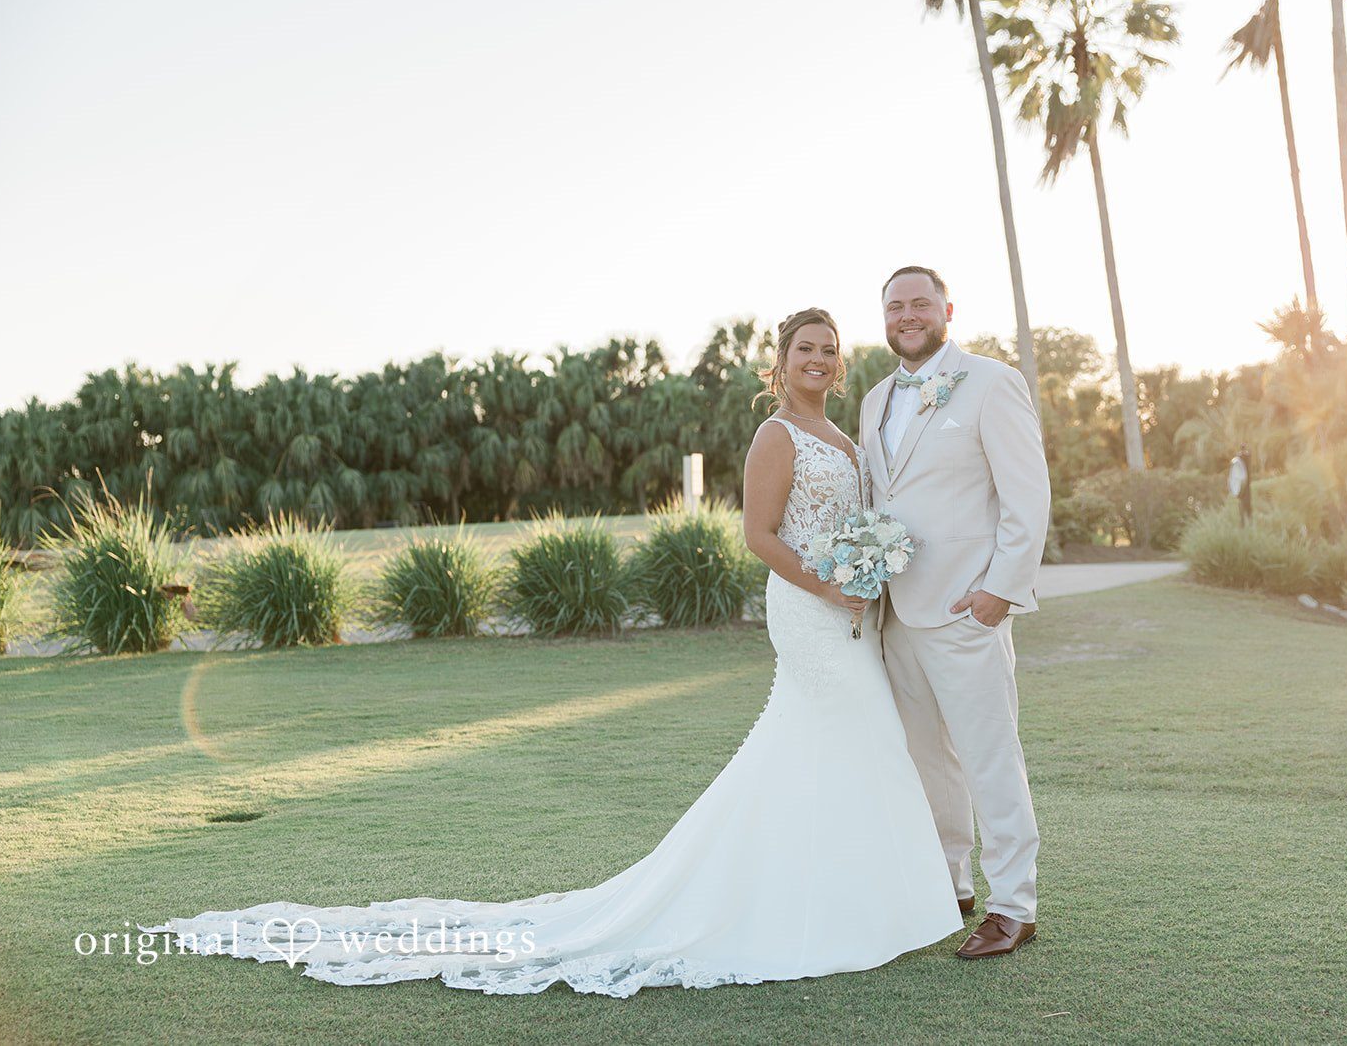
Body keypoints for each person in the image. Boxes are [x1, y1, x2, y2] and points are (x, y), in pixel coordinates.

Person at [143, 306, 963, 998]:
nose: (817, 359)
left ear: (840, 364)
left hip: (850, 611)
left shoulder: (846, 440)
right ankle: (789, 905)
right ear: (778, 363)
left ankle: (860, 900)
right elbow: (757, 535)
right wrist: (828, 585)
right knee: (826, 738)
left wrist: (866, 569)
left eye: (828, 349)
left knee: (854, 745)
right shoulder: (775, 434)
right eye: (803, 349)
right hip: (810, 610)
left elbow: (853, 525)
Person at [858, 265, 1051, 959]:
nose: (907, 314)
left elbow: (1027, 495)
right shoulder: (876, 396)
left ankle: (1013, 903)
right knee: (925, 759)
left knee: (988, 754)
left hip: (965, 606)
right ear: (883, 318)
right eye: (894, 306)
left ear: (946, 308)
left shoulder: (992, 382)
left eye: (919, 303)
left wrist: (998, 589)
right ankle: (948, 883)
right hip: (897, 612)